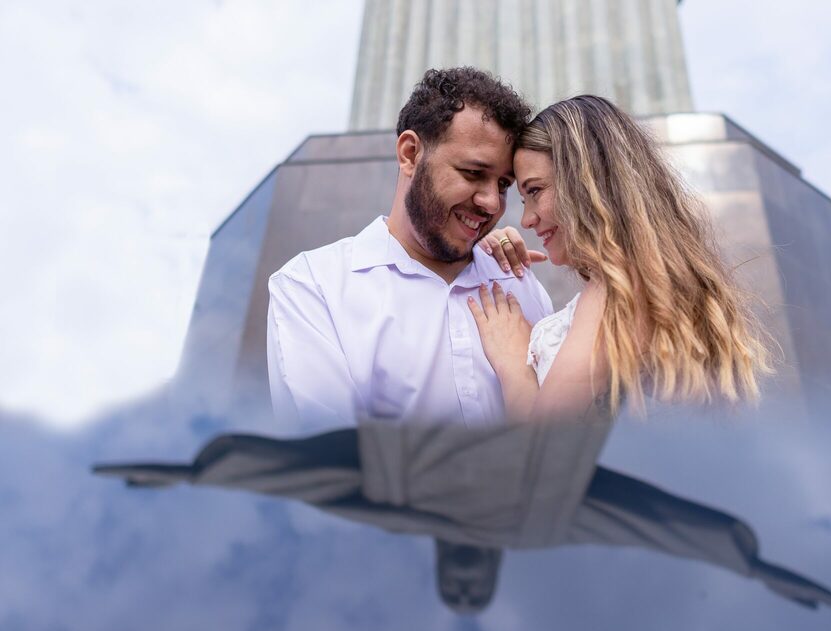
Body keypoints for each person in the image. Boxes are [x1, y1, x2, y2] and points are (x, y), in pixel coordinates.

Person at [265, 67, 554, 431]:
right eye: (472, 173)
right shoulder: (313, 287)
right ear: (410, 153)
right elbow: (329, 459)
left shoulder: (521, 286)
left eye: (503, 184)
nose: (492, 203)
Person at [470, 95, 772, 425]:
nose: (526, 219)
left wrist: (514, 362)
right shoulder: (654, 282)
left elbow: (542, 446)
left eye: (536, 191)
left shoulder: (619, 291)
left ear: (585, 182)